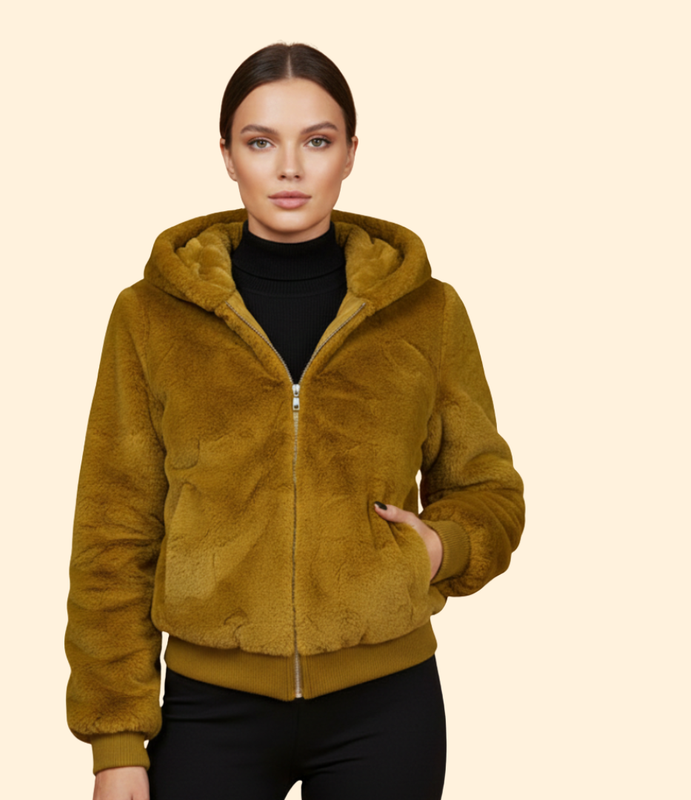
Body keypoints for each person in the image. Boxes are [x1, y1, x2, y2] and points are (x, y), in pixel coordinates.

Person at [65, 42, 525, 800]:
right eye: (260, 142)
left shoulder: (428, 312)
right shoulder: (149, 317)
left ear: (350, 154)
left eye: (316, 141)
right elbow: (113, 536)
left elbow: (489, 489)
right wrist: (116, 742)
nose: (288, 168)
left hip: (388, 705)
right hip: (210, 709)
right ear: (226, 155)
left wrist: (444, 546)